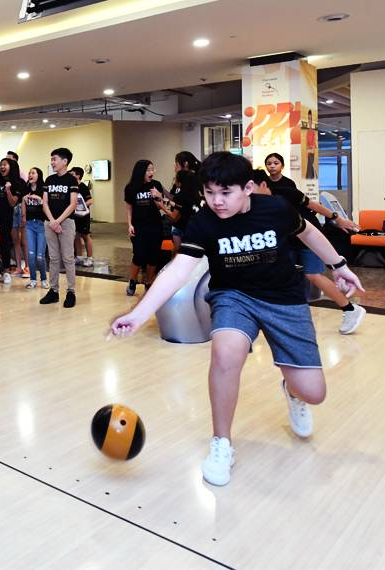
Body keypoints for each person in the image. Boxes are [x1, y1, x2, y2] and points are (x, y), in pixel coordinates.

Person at [109, 151, 364, 487]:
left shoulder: (275, 210)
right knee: (225, 353)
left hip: (284, 299)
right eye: (209, 193)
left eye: (225, 193)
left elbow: (309, 235)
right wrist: (139, 314)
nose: (217, 201)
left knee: (314, 393)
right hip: (234, 296)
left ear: (247, 188)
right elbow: (178, 271)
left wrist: (339, 266)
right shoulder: (203, 222)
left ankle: (293, 391)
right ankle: (221, 443)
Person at [264, 153, 365, 334]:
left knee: (313, 275)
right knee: (283, 274)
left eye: (275, 163)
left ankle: (350, 309)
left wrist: (337, 219)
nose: (272, 166)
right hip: (287, 238)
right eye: (269, 163)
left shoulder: (287, 188)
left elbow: (314, 205)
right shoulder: (256, 200)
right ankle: (288, 315)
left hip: (308, 235)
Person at [41, 148, 80, 308]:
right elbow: (45, 202)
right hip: (50, 222)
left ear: (65, 161)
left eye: (54, 159)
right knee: (54, 258)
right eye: (51, 159)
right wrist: (52, 221)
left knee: (68, 258)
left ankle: (71, 292)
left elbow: (73, 204)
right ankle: (54, 291)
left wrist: (58, 221)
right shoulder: (49, 180)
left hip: (66, 223)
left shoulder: (71, 181)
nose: (52, 162)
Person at [124, 160, 167, 296]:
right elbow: (129, 207)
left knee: (153, 256)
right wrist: (129, 224)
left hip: (155, 225)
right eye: (148, 170)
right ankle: (132, 280)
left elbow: (161, 207)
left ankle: (149, 281)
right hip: (138, 226)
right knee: (139, 255)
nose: (151, 173)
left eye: (152, 170)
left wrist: (158, 197)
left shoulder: (156, 185)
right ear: (141, 171)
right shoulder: (131, 187)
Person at [0, 158, 24, 284]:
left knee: (5, 243)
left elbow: (13, 202)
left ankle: (5, 270)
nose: (1, 167)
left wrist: (8, 190)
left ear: (11, 166)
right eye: (0, 165)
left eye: (4, 165)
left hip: (7, 216)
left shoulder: (18, 183)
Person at [168, 151, 202, 252]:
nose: (174, 165)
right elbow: (174, 197)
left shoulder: (195, 181)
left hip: (186, 222)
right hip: (178, 222)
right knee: (177, 251)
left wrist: (163, 205)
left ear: (186, 164)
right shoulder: (179, 180)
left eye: (176, 163)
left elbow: (183, 203)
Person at [22, 167, 48, 289]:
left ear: (39, 175)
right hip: (29, 225)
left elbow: (47, 207)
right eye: (29, 173)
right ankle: (32, 280)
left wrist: (40, 200)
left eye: (33, 173)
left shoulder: (43, 190)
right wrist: (24, 218)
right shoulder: (26, 189)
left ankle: (43, 279)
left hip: (41, 225)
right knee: (31, 254)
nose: (30, 175)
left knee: (39, 256)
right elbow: (23, 204)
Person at [70, 166, 94, 267]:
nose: (70, 176)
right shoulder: (71, 187)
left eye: (72, 174)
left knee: (85, 236)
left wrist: (81, 205)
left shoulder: (83, 187)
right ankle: (79, 257)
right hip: (74, 216)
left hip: (83, 216)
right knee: (76, 236)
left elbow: (90, 200)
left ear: (78, 175)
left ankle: (90, 258)